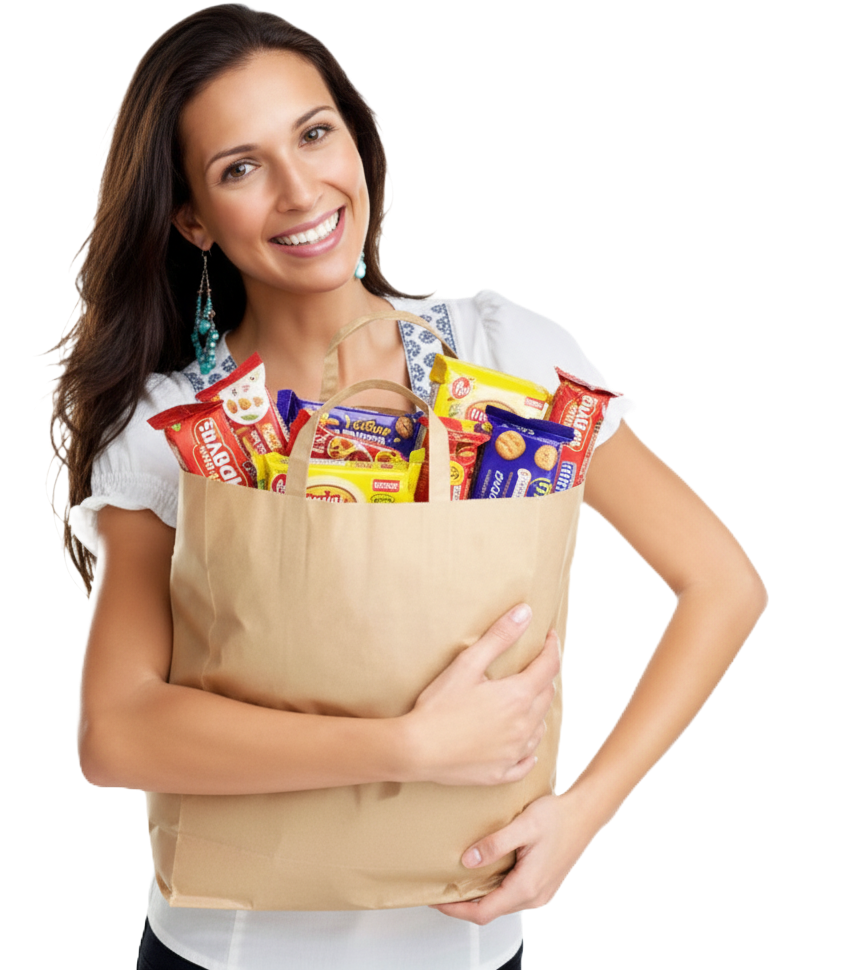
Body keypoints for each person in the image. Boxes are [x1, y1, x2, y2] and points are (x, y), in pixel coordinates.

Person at [41, 4, 768, 968]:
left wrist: (583, 817)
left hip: (466, 942)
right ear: (192, 219)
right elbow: (118, 734)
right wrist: (406, 749)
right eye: (241, 168)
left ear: (359, 138)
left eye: (315, 133)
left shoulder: (502, 356)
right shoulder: (172, 425)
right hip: (227, 950)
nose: (302, 191)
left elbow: (725, 587)